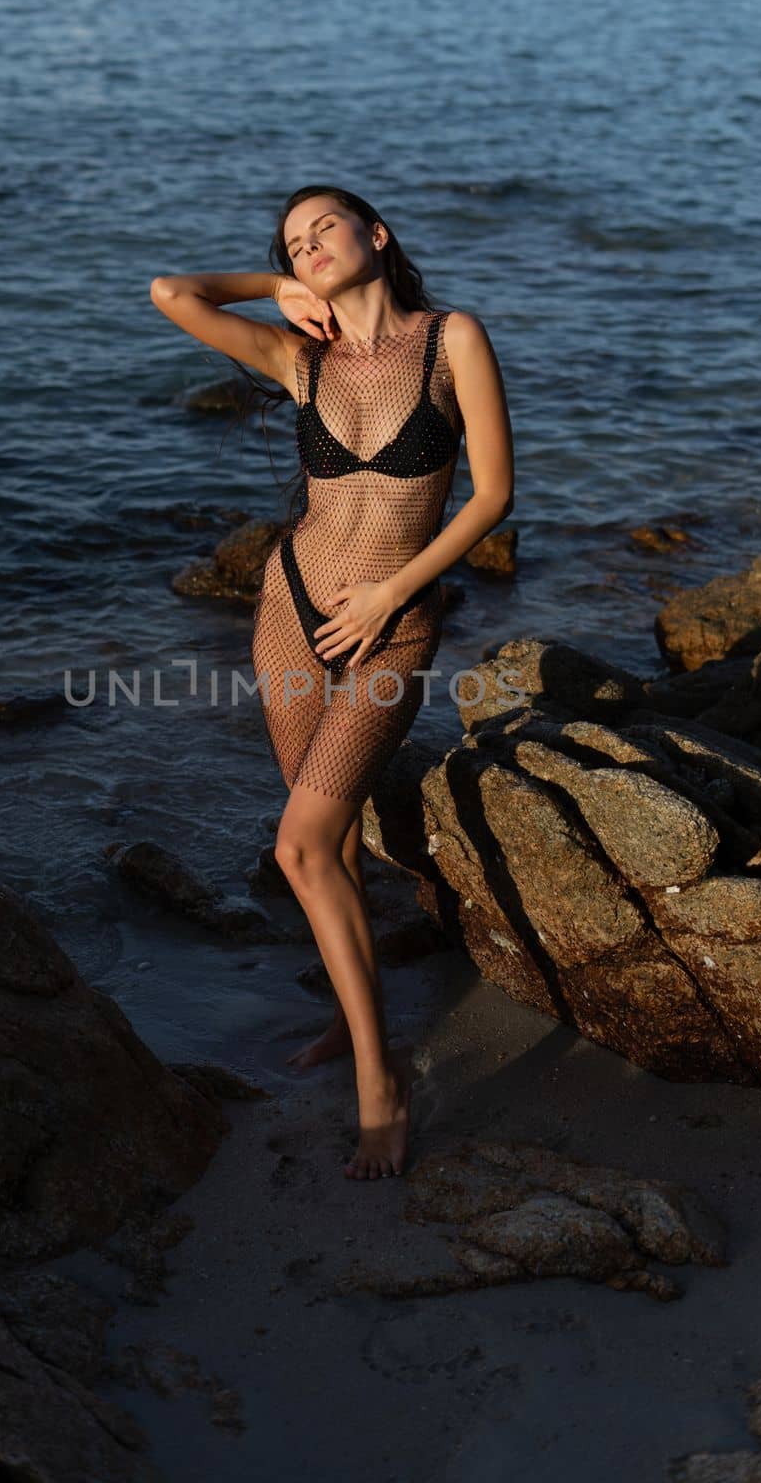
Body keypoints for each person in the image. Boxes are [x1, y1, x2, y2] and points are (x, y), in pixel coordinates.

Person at [150, 184, 514, 1181]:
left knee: (301, 846)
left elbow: (492, 493)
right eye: (292, 242)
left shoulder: (450, 340)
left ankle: (377, 1087)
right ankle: (363, 1033)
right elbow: (171, 290)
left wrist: (394, 591)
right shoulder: (296, 358)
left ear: (378, 234)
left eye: (324, 229)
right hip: (288, 603)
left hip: (391, 621)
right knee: (333, 843)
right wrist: (270, 284)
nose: (308, 246)